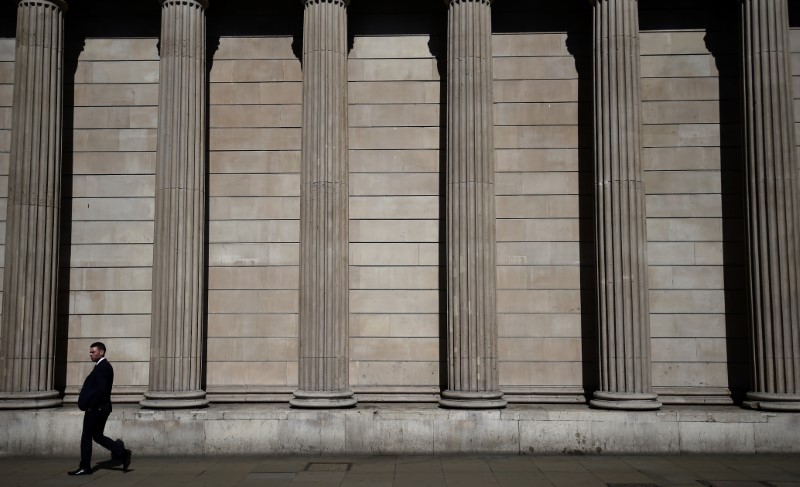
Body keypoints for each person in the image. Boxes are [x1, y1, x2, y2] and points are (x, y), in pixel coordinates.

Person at [68, 342, 132, 475]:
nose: (90, 354)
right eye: (90, 352)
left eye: (93, 352)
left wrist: (91, 406)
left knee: (86, 437)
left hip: (96, 409)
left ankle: (85, 466)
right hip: (100, 408)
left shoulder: (103, 367)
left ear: (101, 352)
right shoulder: (101, 366)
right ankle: (123, 453)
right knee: (97, 436)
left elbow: (101, 390)